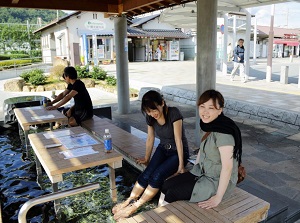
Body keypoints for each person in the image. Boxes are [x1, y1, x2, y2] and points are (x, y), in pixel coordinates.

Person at [112, 90, 189, 220]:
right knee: (147, 173)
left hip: (178, 152)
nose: (152, 114)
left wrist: (181, 166)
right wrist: (147, 158)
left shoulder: (174, 113)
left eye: (154, 110)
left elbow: (178, 139)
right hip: (163, 149)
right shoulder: (150, 117)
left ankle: (135, 206)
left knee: (157, 175)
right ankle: (128, 200)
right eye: (148, 111)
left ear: (162, 103)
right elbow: (150, 138)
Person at [159, 89, 242, 209]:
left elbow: (228, 167)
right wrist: (193, 172)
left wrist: (218, 197)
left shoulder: (224, 134)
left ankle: (161, 217)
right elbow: (202, 150)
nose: (205, 112)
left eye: (211, 108)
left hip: (216, 181)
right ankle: (158, 213)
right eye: (202, 106)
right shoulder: (209, 125)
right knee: (166, 184)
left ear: (220, 110)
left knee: (173, 193)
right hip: (202, 172)